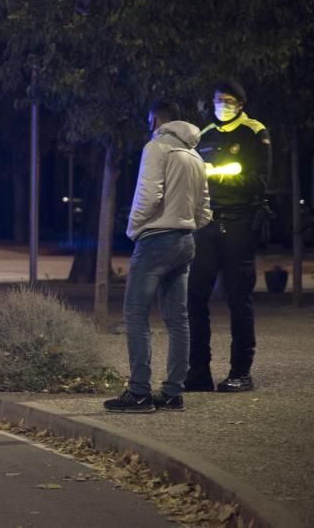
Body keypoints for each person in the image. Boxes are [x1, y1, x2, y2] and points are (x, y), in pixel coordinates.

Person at [105, 101, 211, 413]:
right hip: (185, 241)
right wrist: (186, 224)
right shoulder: (194, 154)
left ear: (155, 119)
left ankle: (139, 392)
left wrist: (133, 228)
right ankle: (173, 392)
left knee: (136, 315)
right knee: (178, 319)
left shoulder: (156, 148)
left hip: (155, 240)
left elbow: (148, 195)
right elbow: (204, 208)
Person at [185, 82, 271, 392]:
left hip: (240, 223)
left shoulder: (254, 131)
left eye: (229, 99)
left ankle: (240, 372)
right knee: (194, 296)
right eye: (218, 99)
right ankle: (198, 372)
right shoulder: (204, 134)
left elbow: (258, 180)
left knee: (238, 299)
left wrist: (218, 172)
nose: (223, 104)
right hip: (207, 224)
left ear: (241, 102)